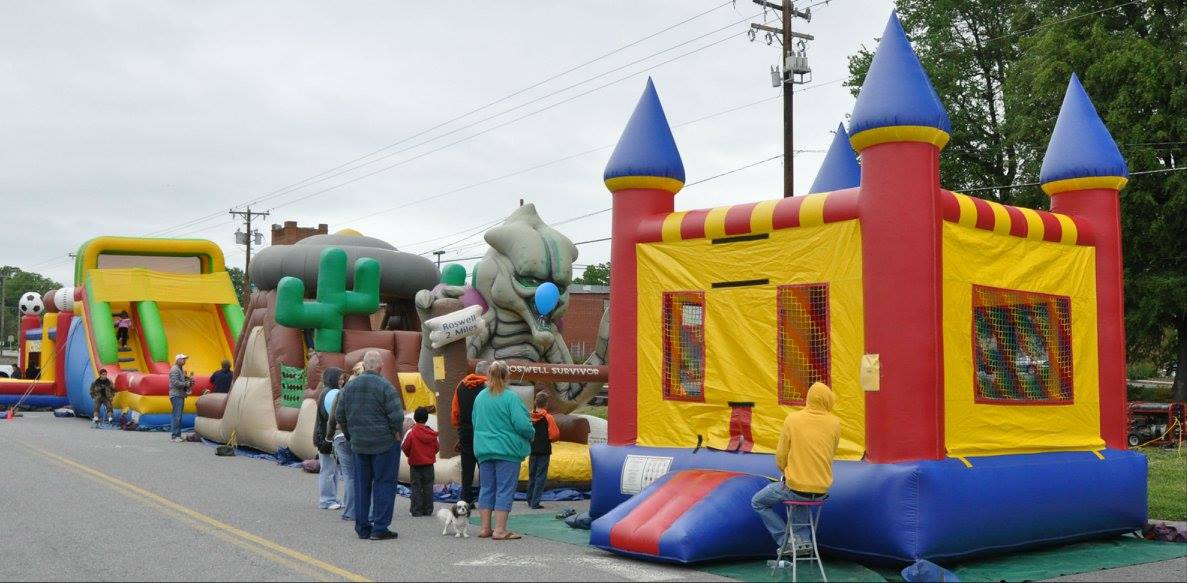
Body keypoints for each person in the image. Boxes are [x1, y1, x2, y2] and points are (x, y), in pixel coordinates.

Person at [751, 382, 841, 555]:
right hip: (821, 489)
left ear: (808, 398)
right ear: (829, 400)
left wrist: (785, 471)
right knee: (800, 497)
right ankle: (803, 541)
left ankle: (786, 541)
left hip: (796, 488)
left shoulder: (793, 419)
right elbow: (831, 452)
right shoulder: (835, 423)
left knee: (758, 502)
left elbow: (781, 455)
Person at [335, 351, 403, 541]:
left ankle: (362, 527)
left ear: (364, 366)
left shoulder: (349, 387)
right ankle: (380, 527)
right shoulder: (386, 387)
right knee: (384, 484)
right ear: (381, 366)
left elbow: (340, 415)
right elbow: (397, 417)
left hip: (359, 444)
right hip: (384, 444)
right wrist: (395, 433)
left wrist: (350, 435)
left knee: (361, 485)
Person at [472, 360, 534, 540]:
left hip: (484, 449)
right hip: (507, 450)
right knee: (504, 489)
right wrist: (531, 433)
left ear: (488, 376)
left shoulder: (480, 397)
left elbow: (475, 421)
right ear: (507, 376)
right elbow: (522, 424)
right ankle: (500, 530)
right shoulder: (511, 397)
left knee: (486, 488)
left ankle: (485, 528)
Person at [451, 360, 488, 505]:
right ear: (487, 372)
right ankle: (485, 500)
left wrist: (459, 427)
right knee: (485, 467)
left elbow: (455, 411)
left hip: (465, 432)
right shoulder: (487, 387)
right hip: (483, 432)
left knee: (467, 469)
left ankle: (465, 499)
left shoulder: (461, 385)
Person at [324, 370, 356, 522]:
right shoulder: (365, 395)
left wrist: (329, 436)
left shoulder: (341, 394)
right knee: (362, 475)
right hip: (358, 437)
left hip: (340, 436)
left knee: (349, 475)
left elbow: (333, 417)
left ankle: (350, 511)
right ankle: (366, 510)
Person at [314, 367, 344, 511]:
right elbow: (333, 416)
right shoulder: (330, 394)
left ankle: (332, 497)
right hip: (326, 438)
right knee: (328, 470)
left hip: (327, 437)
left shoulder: (327, 392)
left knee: (333, 469)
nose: (342, 381)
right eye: (340, 378)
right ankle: (326, 499)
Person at [402, 406, 439, 517]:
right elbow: (437, 447)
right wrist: (430, 455)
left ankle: (416, 510)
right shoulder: (431, 433)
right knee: (428, 487)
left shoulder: (411, 432)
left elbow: (405, 446)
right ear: (427, 418)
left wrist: (410, 455)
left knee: (416, 487)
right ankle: (428, 509)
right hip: (429, 465)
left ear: (415, 417)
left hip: (415, 465)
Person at [526, 391, 560, 509]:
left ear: (535, 402)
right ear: (546, 404)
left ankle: (529, 499)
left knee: (532, 474)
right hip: (544, 450)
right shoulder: (548, 417)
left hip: (532, 449)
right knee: (540, 476)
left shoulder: (529, 416)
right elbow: (554, 435)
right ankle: (535, 502)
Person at [168, 354, 194, 442]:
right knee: (177, 416)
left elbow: (179, 381)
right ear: (178, 360)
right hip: (176, 395)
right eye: (183, 359)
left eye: (185, 359)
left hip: (179, 395)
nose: (184, 361)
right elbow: (175, 382)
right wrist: (186, 384)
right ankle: (175, 436)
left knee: (177, 415)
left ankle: (177, 435)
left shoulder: (179, 369)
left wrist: (188, 380)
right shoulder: (175, 369)